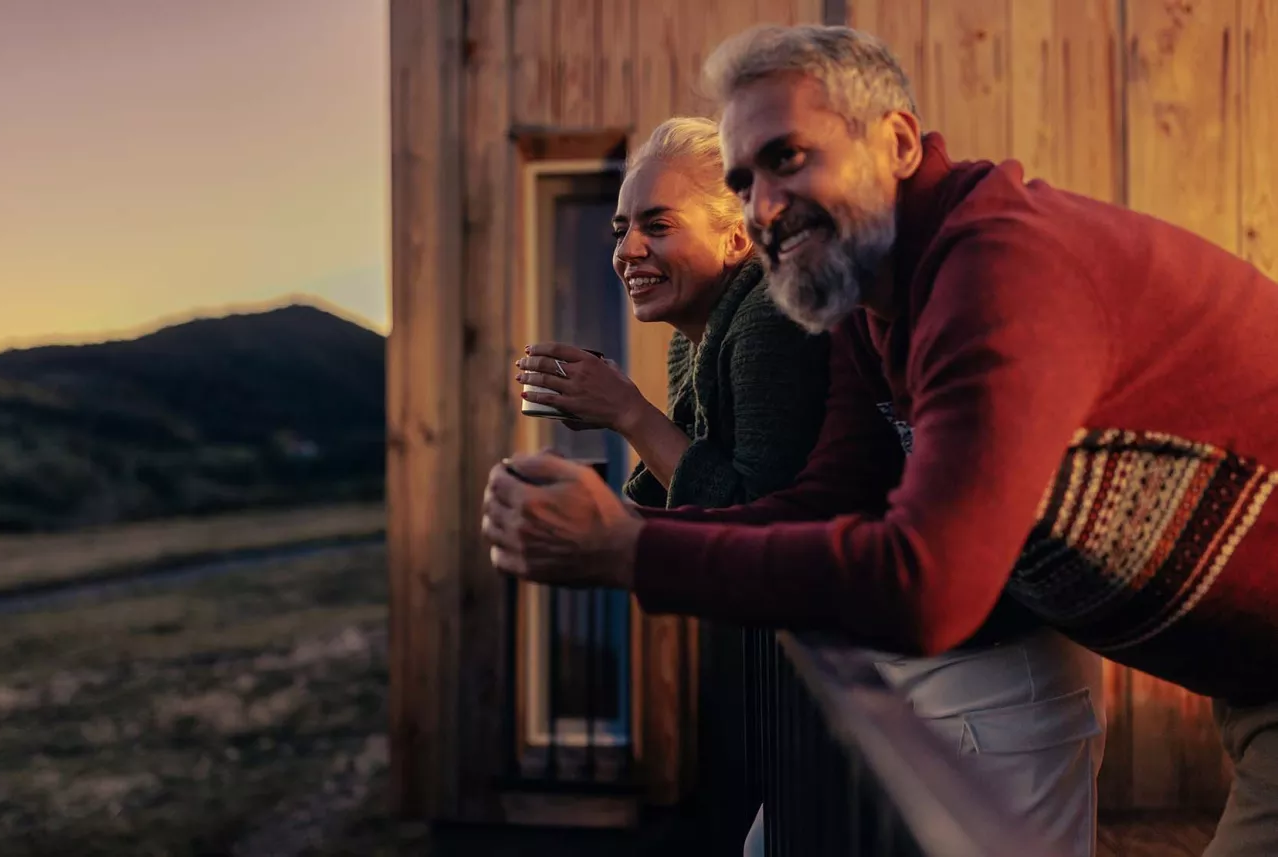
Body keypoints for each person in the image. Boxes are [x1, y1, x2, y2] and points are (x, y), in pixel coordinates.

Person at [481, 22, 1278, 857]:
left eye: (788, 158)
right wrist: (627, 530)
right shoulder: (874, 306)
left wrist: (629, 553)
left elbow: (928, 583)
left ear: (896, 141)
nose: (764, 209)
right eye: (745, 180)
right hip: (1247, 674)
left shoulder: (1000, 270)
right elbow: (822, 497)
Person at [514, 116, 1106, 857]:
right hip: (897, 669)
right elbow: (702, 490)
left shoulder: (771, 316)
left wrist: (627, 415)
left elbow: (757, 509)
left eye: (657, 225)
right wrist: (600, 501)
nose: (628, 249)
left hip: (978, 670)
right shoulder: (698, 340)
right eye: (620, 228)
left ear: (736, 238)